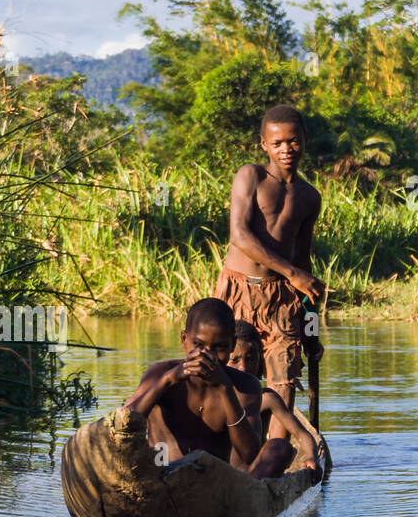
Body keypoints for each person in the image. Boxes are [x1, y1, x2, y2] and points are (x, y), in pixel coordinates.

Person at [213, 104, 326, 419]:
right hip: (238, 291)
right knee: (229, 368)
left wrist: (311, 331)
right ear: (264, 144)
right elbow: (239, 235)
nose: (286, 150)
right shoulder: (251, 175)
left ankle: (275, 451)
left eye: (293, 141)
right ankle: (230, 441)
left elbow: (303, 263)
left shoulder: (309, 197)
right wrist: (294, 273)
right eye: (277, 143)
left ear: (304, 139)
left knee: (283, 379)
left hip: (282, 298)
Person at [124, 299, 308, 481]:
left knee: (280, 449)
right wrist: (168, 380)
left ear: (232, 345)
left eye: (220, 347)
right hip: (164, 476)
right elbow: (125, 423)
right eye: (198, 345)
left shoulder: (245, 386)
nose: (207, 355)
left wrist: (225, 389)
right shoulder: (160, 373)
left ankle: (240, 504)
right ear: (184, 339)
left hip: (218, 485)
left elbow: (249, 454)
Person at [226, 321, 321, 482]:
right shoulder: (212, 396)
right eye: (234, 360)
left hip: (254, 476)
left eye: (250, 359)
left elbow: (301, 434)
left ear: (260, 362)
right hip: (220, 475)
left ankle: (254, 492)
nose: (243, 367)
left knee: (280, 446)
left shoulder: (266, 398)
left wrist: (312, 457)